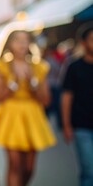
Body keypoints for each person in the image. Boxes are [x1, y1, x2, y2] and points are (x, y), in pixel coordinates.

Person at [0, 25, 56, 186]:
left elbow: (46, 100)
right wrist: (13, 84)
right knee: (15, 164)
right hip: (11, 115)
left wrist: (33, 84)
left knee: (29, 168)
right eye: (17, 40)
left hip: (32, 116)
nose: (22, 44)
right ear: (9, 43)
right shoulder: (1, 65)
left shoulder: (38, 66)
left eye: (25, 40)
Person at [61, 22, 93, 186]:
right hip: (82, 125)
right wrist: (66, 125)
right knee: (89, 171)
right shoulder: (74, 66)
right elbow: (66, 96)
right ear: (83, 42)